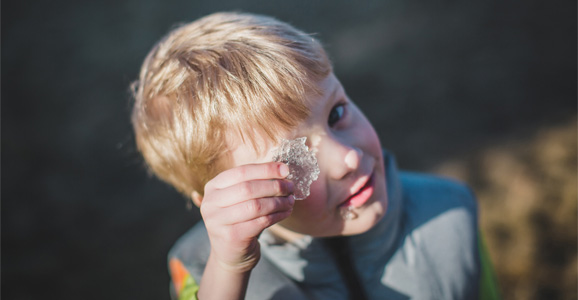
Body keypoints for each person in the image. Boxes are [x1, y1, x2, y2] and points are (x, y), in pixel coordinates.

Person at [131, 12, 486, 300]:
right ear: (226, 202)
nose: (347, 158)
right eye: (294, 158)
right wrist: (229, 269)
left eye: (336, 114)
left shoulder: (450, 211)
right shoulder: (202, 268)